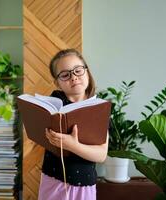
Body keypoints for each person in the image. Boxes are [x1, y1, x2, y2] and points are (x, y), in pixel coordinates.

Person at [38, 49, 109, 200]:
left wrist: (72, 145)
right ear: (57, 82)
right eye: (65, 75)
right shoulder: (53, 103)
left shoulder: (98, 108)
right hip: (53, 181)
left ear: (87, 72)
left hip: (84, 185)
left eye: (78, 70)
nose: (74, 77)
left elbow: (101, 154)